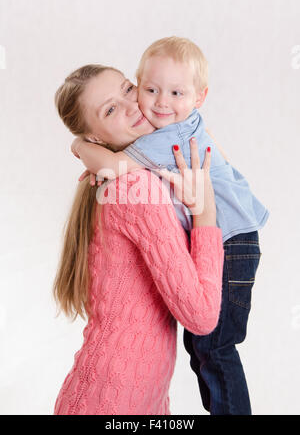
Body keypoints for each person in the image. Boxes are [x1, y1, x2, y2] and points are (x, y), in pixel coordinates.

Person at [72, 37, 269, 415]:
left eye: (176, 92)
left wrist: (82, 147)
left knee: (214, 347)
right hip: (236, 239)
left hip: (231, 243)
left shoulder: (165, 139)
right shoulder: (182, 125)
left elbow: (115, 167)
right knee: (206, 348)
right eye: (149, 89)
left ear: (199, 97)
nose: (159, 103)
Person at [52, 63, 224, 415]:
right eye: (110, 109)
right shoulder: (137, 187)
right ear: (96, 138)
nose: (132, 106)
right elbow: (202, 315)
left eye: (128, 90)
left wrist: (84, 147)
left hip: (128, 398)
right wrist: (205, 211)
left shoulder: (135, 176)